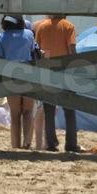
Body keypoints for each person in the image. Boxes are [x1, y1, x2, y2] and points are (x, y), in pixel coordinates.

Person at [32, 13, 79, 152]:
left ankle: (51, 143)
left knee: (49, 110)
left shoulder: (42, 26)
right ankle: (71, 144)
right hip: (65, 72)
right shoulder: (69, 26)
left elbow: (38, 50)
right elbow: (72, 50)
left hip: (48, 71)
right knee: (69, 110)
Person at [0, 14, 36, 149]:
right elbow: (33, 51)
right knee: (28, 112)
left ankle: (15, 146)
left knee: (15, 114)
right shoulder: (29, 34)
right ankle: (27, 143)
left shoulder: (0, 38)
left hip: (10, 78)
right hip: (29, 77)